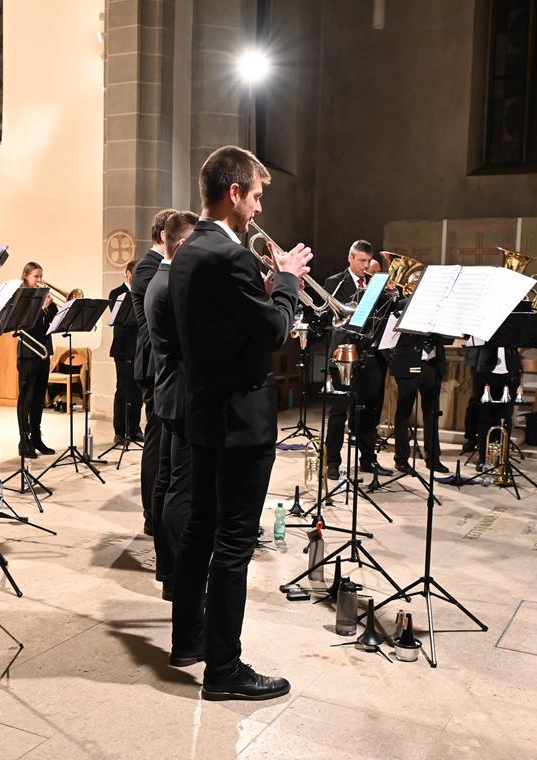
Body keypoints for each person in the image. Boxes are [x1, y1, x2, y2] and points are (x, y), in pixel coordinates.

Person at [169, 145, 311, 700]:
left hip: (205, 412)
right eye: (255, 196)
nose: (257, 209)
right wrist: (288, 280)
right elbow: (274, 331)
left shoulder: (188, 250)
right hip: (240, 421)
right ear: (234, 194)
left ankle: (189, 640)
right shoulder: (229, 257)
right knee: (233, 543)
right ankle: (224, 671)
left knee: (201, 529)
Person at [144, 210, 198, 600]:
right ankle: (177, 575)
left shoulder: (163, 277)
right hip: (180, 395)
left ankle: (167, 568)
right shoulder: (169, 284)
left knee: (167, 480)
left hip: (170, 392)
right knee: (180, 488)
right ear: (180, 245)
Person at [322, 240, 392, 480]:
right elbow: (328, 317)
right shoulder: (335, 283)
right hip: (343, 354)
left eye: (367, 261)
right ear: (350, 259)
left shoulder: (375, 285)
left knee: (369, 410)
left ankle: (367, 459)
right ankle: (332, 461)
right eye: (360, 260)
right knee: (339, 410)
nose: (365, 265)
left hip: (370, 355)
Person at [132, 209, 177, 535]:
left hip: (163, 362)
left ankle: (161, 509)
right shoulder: (148, 267)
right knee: (157, 439)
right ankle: (152, 513)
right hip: (152, 363)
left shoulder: (162, 265)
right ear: (164, 234)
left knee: (164, 441)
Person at [390, 330, 448, 475]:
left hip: (432, 364)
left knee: (432, 412)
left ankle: (433, 458)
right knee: (404, 412)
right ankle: (401, 458)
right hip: (408, 361)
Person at [16, 261, 56, 458]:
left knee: (39, 398)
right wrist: (41, 309)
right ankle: (24, 441)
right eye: (36, 276)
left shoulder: (44, 296)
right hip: (28, 353)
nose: (39, 280)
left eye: (41, 276)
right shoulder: (21, 297)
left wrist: (48, 307)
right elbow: (24, 323)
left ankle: (36, 438)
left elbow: (56, 319)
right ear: (26, 276)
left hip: (43, 352)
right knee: (27, 398)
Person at [108, 259, 142, 444]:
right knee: (123, 389)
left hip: (138, 348)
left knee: (138, 390)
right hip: (122, 348)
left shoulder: (141, 292)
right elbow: (119, 317)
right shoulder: (116, 293)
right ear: (128, 273)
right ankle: (120, 430)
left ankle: (135, 428)